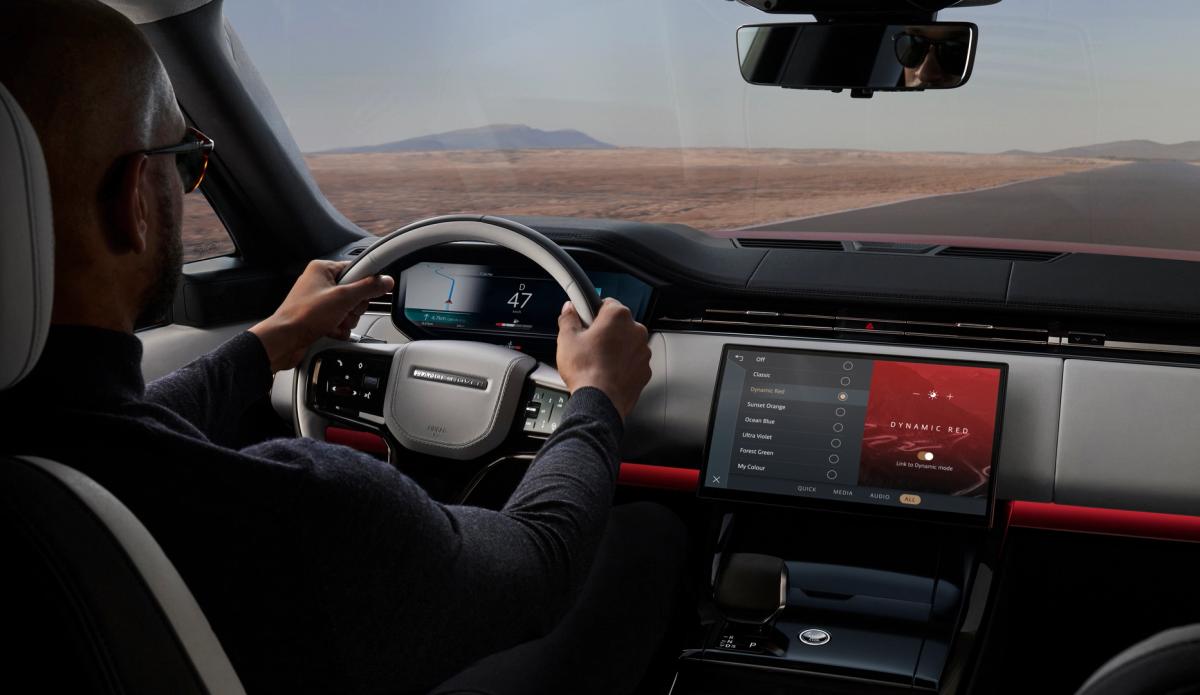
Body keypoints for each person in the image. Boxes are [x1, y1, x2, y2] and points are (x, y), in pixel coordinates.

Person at [0, 1, 684, 694]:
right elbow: (537, 564)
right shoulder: (303, 510)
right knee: (643, 537)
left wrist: (270, 341)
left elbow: (111, 431)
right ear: (135, 202)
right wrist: (597, 398)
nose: (186, 186)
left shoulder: (51, 446)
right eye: (184, 164)